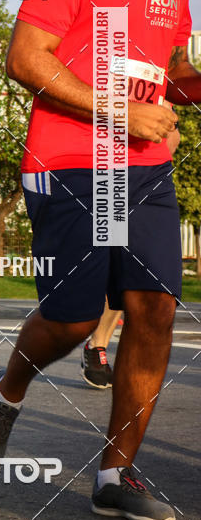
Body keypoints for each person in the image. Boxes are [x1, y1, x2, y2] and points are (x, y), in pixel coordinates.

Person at [0, 0, 199, 520]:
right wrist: (119, 112)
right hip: (72, 159)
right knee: (71, 319)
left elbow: (175, 72)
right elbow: (25, 57)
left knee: (154, 309)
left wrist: (190, 88)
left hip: (147, 169)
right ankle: (6, 390)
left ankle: (115, 475)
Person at [80, 121, 181, 389]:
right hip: (104, 176)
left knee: (134, 276)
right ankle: (94, 342)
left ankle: (98, 345)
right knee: (108, 270)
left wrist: (153, 165)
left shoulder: (159, 82)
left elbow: (173, 133)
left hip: (146, 180)